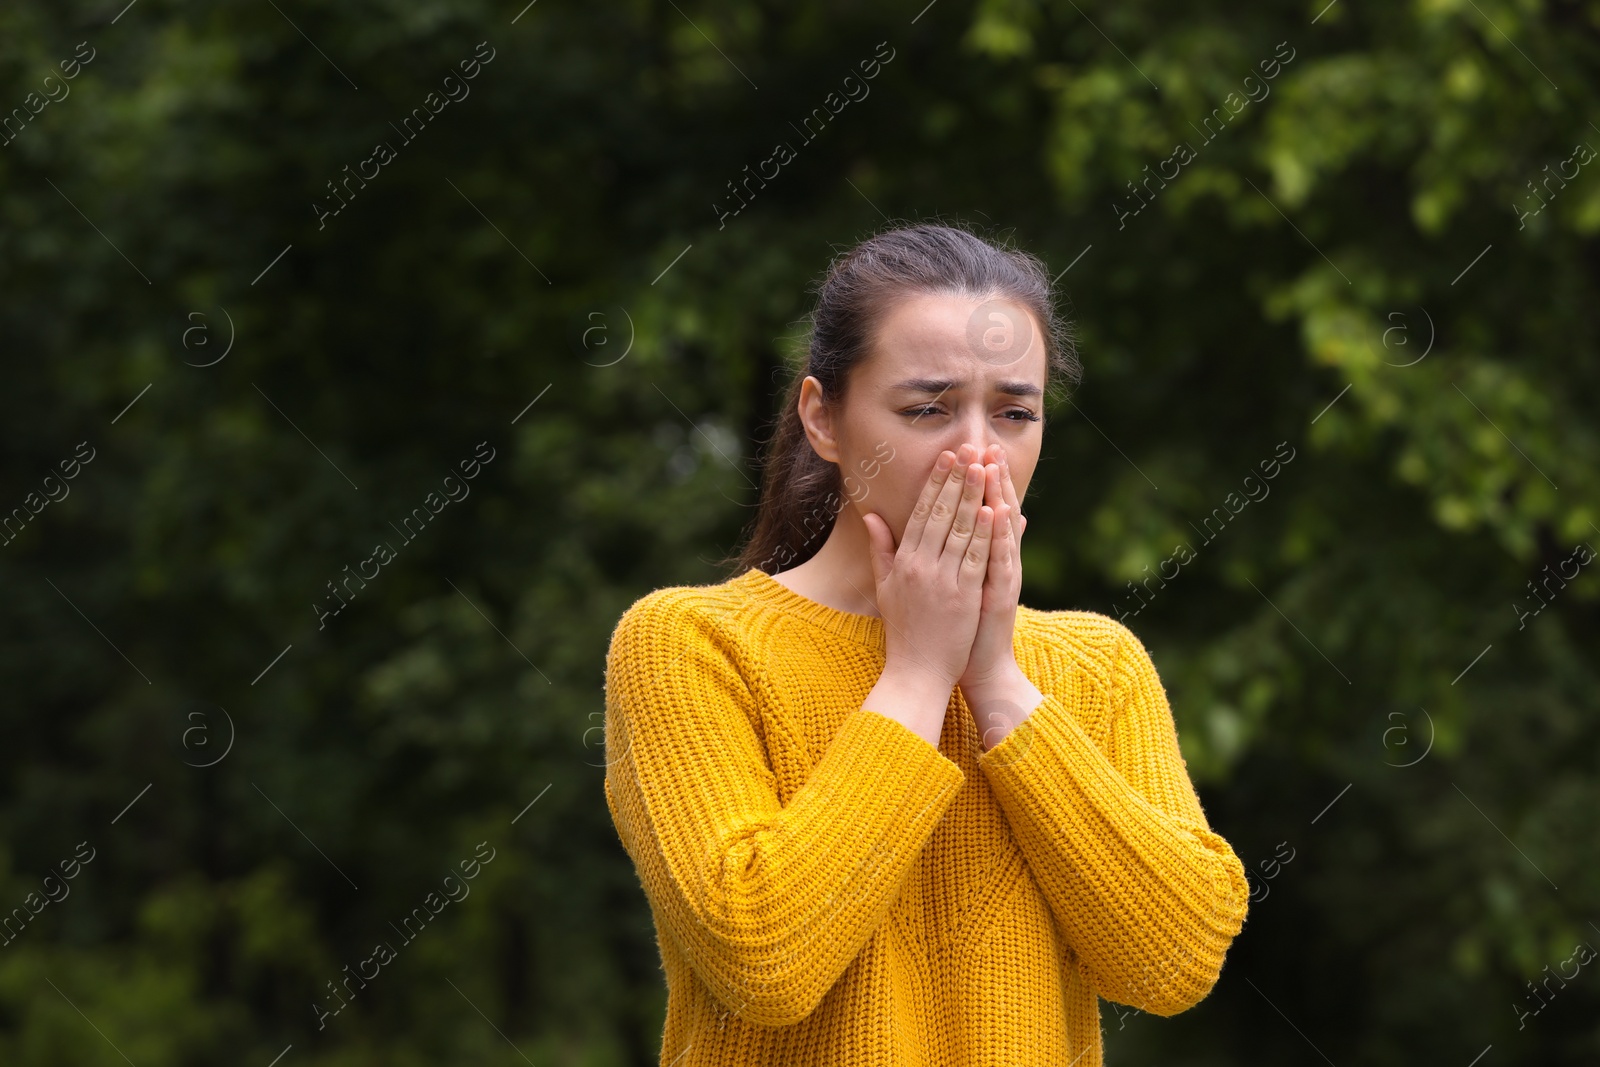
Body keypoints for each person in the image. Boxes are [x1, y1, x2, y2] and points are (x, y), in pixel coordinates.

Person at [602, 221, 1249, 1066]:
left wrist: (996, 680)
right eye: (927, 408)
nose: (978, 451)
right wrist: (915, 672)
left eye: (1015, 412)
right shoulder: (691, 645)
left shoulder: (1099, 667)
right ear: (823, 419)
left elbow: (1175, 960)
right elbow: (762, 956)